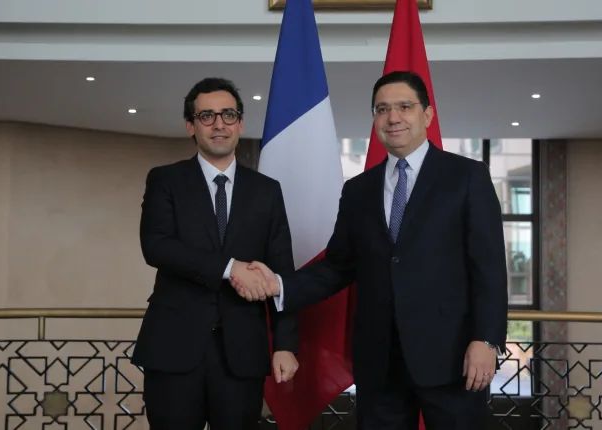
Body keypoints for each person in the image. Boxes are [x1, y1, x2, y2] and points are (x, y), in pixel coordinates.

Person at [233, 70, 508, 429]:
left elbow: (489, 268)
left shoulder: (467, 177)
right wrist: (279, 285)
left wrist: (486, 339)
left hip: (452, 356)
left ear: (427, 114)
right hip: (379, 362)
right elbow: (337, 266)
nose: (393, 117)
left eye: (404, 107)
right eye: (382, 109)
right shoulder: (358, 190)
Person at [132, 77, 299, 430]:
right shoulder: (165, 180)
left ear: (240, 123)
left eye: (228, 115)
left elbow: (282, 272)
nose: (219, 124)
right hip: (174, 348)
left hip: (242, 351)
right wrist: (229, 268)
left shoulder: (267, 191)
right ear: (190, 126)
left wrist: (285, 344)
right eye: (206, 116)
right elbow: (156, 246)